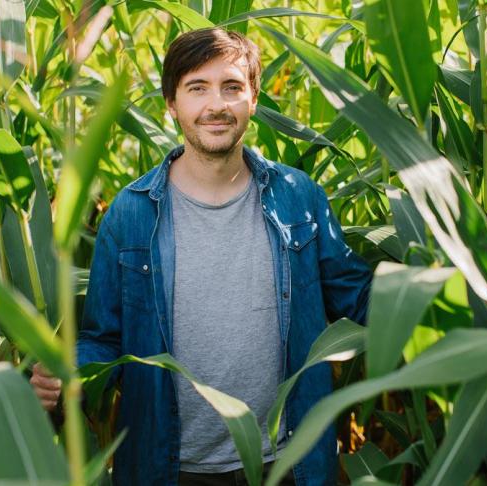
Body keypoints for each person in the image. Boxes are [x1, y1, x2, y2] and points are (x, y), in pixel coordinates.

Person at [30, 28, 372, 486]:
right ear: (172, 103)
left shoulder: (299, 198)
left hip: (289, 461)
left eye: (231, 87)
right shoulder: (129, 215)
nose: (216, 105)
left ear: (253, 98)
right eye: (197, 88)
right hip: (171, 465)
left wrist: (438, 282)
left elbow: (359, 297)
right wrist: (62, 372)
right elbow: (105, 339)